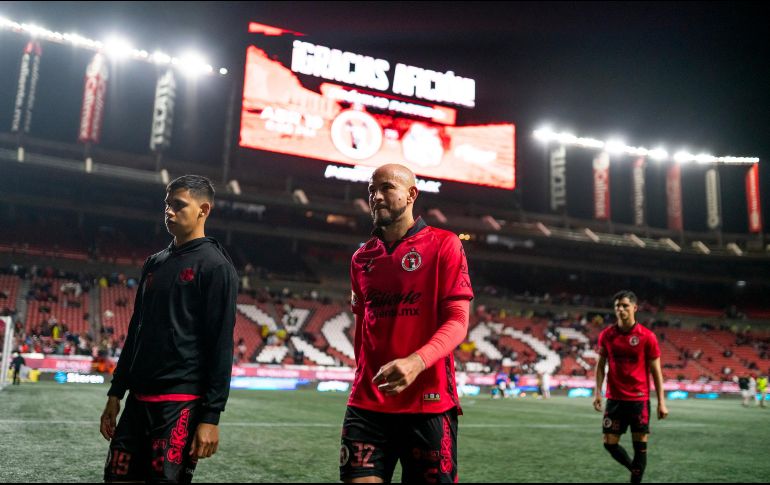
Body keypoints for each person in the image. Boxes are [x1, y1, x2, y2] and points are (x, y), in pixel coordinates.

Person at [99, 175, 239, 483]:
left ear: (204, 210)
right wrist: (116, 392)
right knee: (115, 477)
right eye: (167, 205)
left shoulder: (216, 267)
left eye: (179, 205)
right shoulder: (155, 263)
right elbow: (136, 330)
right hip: (137, 402)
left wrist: (211, 417)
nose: (169, 212)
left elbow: (221, 345)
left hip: (179, 404)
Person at [340, 164, 473, 483]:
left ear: (412, 194)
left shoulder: (445, 244)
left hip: (428, 404)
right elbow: (361, 327)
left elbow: (457, 321)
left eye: (387, 188)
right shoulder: (361, 259)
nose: (376, 196)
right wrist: (362, 374)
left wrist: (416, 362)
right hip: (368, 403)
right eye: (372, 190)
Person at [594, 290, 668, 484]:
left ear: (635, 308)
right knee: (609, 443)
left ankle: (635, 479)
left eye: (625, 305)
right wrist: (598, 393)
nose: (620, 309)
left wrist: (662, 402)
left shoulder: (647, 337)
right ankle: (634, 469)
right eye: (617, 306)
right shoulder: (607, 335)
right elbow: (601, 365)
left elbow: (656, 372)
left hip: (639, 401)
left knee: (640, 447)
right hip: (615, 399)